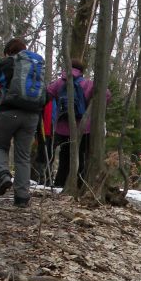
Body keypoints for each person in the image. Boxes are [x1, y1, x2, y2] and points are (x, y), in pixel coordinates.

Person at [0, 37, 45, 207]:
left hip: (8, 111)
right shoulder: (36, 66)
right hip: (32, 116)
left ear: (8, 52)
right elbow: (45, 94)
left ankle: (3, 175)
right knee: (23, 156)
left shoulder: (7, 63)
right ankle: (22, 197)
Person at [46, 59, 104, 190]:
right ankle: (79, 184)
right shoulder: (88, 84)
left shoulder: (59, 82)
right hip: (84, 128)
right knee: (81, 156)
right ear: (82, 71)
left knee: (64, 156)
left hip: (62, 129)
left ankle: (60, 183)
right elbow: (106, 95)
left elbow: (46, 95)